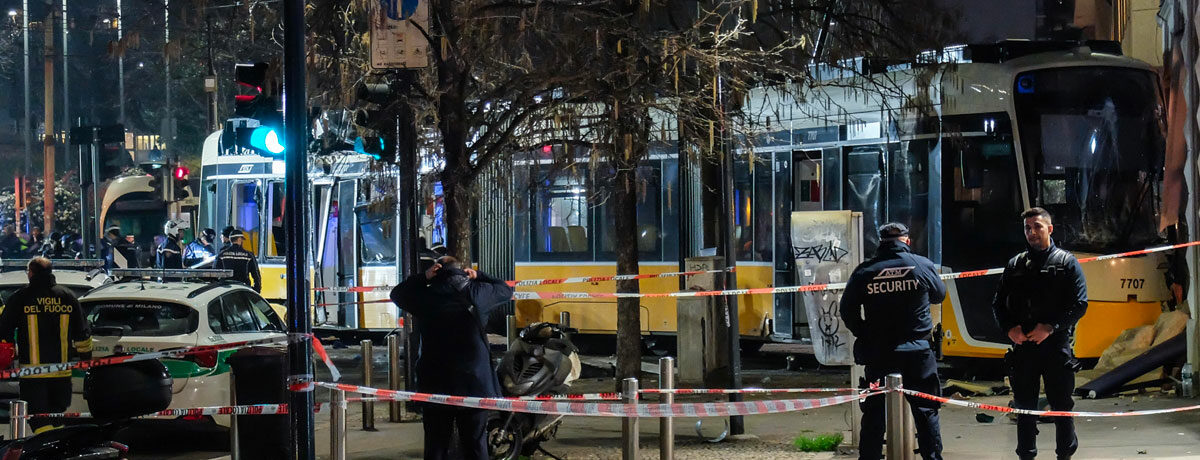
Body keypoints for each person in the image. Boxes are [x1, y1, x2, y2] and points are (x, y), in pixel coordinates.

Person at [389, 255, 513, 460]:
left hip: (435, 381)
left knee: (436, 444)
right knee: (475, 443)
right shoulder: (478, 293)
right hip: (473, 381)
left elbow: (398, 294)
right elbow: (505, 289)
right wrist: (479, 275)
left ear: (437, 270)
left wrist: (424, 277)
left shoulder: (425, 296)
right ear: (462, 271)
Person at [839, 222, 946, 460]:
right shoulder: (922, 265)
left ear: (881, 242)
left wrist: (865, 333)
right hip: (918, 352)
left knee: (875, 414)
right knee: (926, 411)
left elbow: (847, 310)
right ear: (907, 241)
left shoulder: (866, 270)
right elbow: (940, 295)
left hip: (880, 353)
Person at [992, 207, 1087, 460]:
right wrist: (1009, 329)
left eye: (1037, 227)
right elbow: (998, 304)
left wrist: (1051, 327)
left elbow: (1080, 305)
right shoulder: (1015, 265)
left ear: (1050, 229)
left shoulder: (1066, 263)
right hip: (1024, 349)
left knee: (1062, 407)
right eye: (1027, 228)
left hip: (1055, 346)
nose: (1032, 232)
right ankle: (1026, 454)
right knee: (1024, 408)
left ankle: (1065, 455)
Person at [0, 257, 92, 433]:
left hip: (33, 375)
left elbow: (4, 330)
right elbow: (82, 332)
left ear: (31, 273)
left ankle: (48, 450)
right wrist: (86, 359)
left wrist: (7, 356)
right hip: (62, 373)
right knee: (56, 416)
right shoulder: (68, 297)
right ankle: (57, 447)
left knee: (38, 419)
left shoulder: (20, 298)